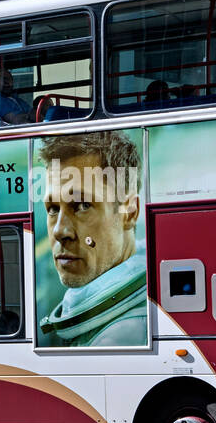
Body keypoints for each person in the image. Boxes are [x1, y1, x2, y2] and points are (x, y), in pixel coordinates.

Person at [36, 130, 146, 346]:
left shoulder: (121, 337)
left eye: (82, 206)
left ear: (130, 213)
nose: (59, 231)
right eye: (52, 209)